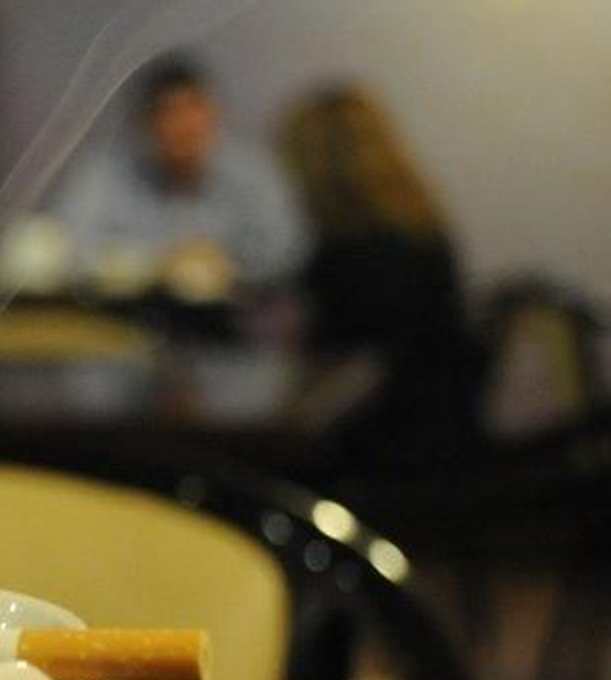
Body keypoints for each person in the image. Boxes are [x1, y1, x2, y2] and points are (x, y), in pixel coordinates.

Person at [283, 83, 488, 457]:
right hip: (449, 431)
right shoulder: (423, 228)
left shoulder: (346, 253)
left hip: (391, 449)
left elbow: (355, 365)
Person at [51, 56, 309, 299]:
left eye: (195, 108)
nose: (186, 125)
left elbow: (288, 248)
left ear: (214, 114)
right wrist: (158, 264)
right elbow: (67, 245)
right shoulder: (108, 173)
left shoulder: (251, 173)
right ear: (143, 123)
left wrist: (227, 265)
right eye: (170, 112)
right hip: (133, 315)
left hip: (234, 319)